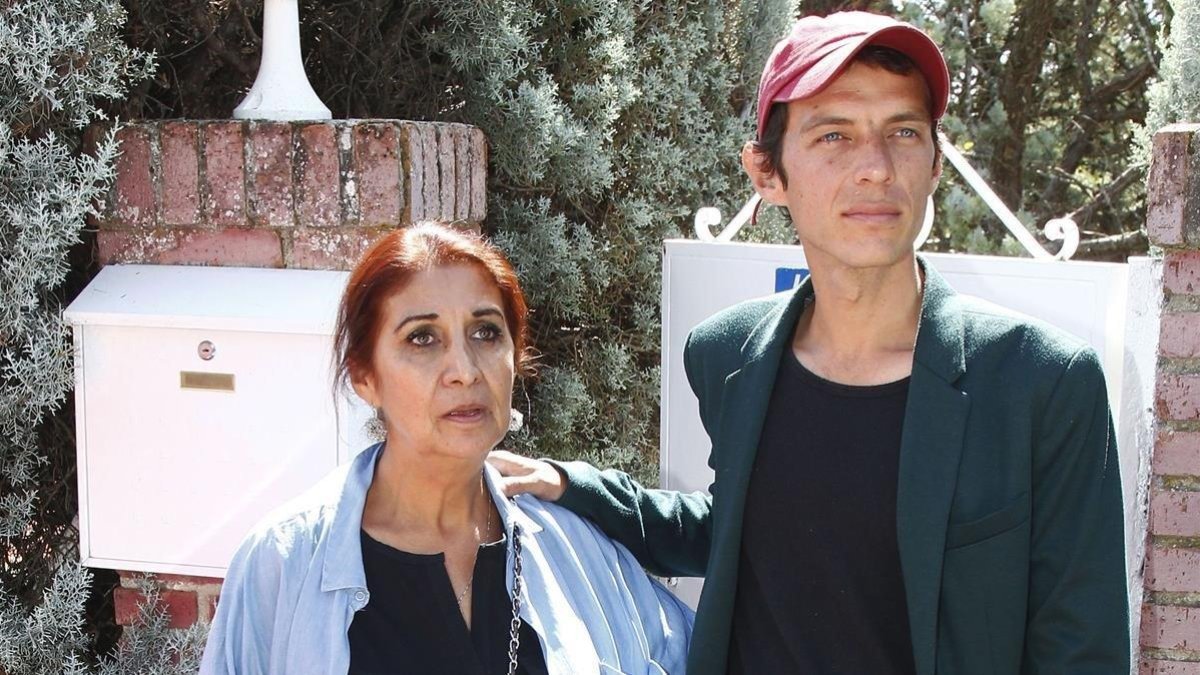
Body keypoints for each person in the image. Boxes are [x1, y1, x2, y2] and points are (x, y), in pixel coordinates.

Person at [491, 10, 1129, 675]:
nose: (876, 168)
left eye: (903, 132)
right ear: (767, 172)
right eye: (834, 136)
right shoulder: (728, 356)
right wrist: (573, 485)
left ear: (936, 161)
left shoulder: (1041, 383)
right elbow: (741, 528)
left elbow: (1083, 650)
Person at [199, 222, 693, 675]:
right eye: (422, 338)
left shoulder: (577, 548)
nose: (465, 368)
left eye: (485, 332)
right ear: (365, 378)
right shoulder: (284, 563)